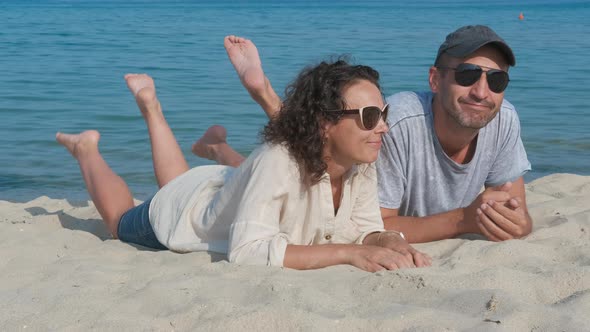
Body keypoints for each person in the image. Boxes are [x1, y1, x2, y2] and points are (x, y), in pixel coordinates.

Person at [56, 58, 431, 271]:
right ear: (325, 122)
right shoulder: (278, 160)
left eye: (383, 113)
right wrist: (350, 253)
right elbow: (247, 251)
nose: (383, 126)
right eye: (368, 116)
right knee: (122, 221)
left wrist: (387, 241)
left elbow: (366, 228)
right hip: (181, 212)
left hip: (217, 191)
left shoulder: (361, 160)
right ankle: (87, 149)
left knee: (182, 188)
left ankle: (153, 108)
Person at [196, 27, 533, 244]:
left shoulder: (503, 120)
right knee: (299, 174)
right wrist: (463, 220)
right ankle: (254, 108)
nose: (482, 91)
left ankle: (218, 148)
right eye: (468, 74)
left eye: (497, 80)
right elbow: (375, 222)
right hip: (312, 171)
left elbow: (517, 209)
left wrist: (517, 222)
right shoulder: (397, 122)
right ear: (435, 80)